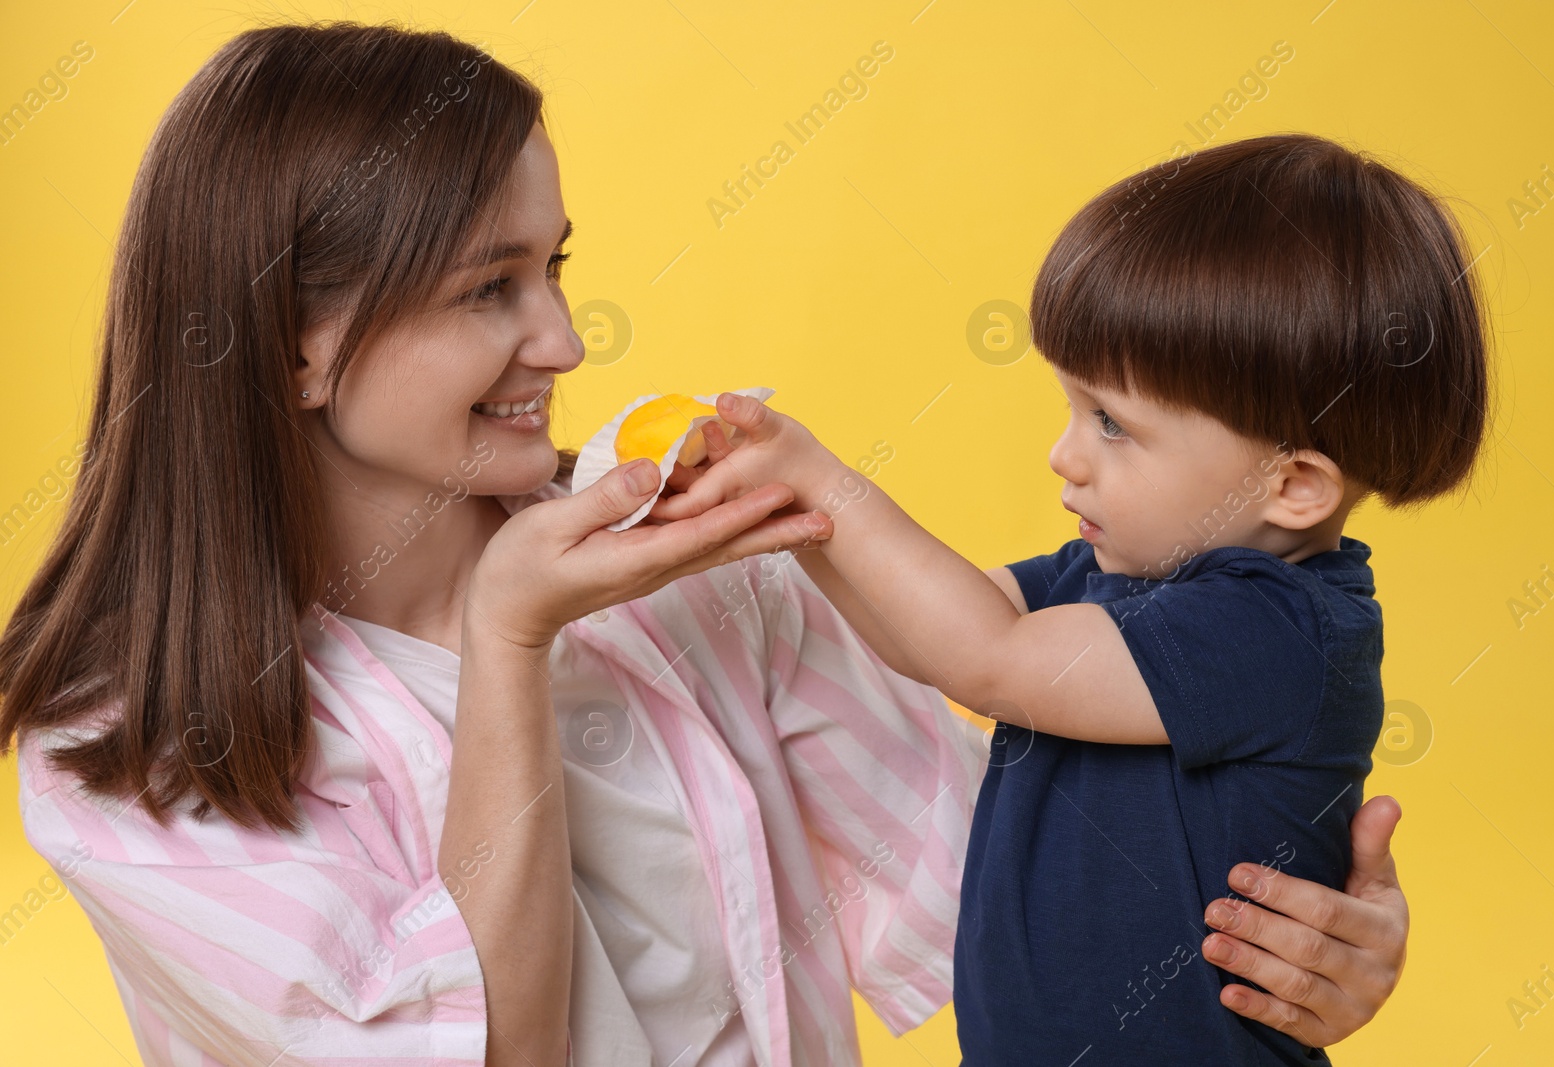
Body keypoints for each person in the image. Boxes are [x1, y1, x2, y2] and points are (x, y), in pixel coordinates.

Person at [0, 22, 1411, 1067]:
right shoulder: (114, 749)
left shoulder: (685, 550)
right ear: (296, 346)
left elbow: (1011, 848)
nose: (560, 341)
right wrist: (507, 636)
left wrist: (1295, 950)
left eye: (554, 266)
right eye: (487, 288)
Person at [650, 133, 1484, 1063]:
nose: (1065, 454)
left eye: (1114, 424)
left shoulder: (1281, 631)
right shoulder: (1122, 574)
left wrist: (820, 481)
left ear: (1293, 486)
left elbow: (988, 660)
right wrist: (774, 508)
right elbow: (926, 633)